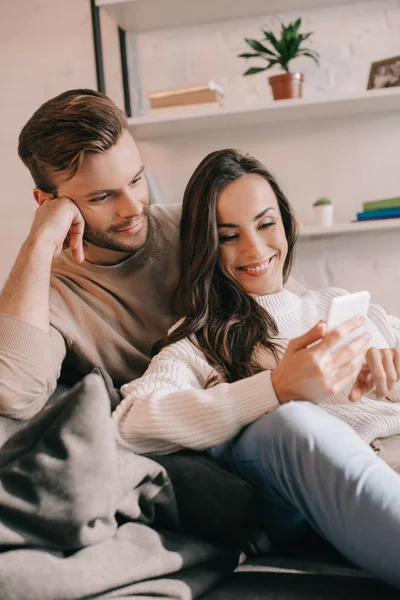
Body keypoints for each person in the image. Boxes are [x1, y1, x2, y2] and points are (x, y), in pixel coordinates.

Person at [112, 149, 400, 589]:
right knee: (289, 421)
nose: (254, 249)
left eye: (266, 224)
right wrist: (276, 388)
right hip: (325, 499)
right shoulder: (198, 342)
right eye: (228, 236)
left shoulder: (339, 305)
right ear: (205, 247)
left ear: (285, 222)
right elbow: (130, 424)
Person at [0, 89, 182, 418]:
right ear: (47, 203)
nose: (132, 208)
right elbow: (12, 394)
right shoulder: (53, 296)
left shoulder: (196, 227)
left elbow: (288, 314)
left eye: (137, 179)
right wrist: (41, 240)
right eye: (102, 197)